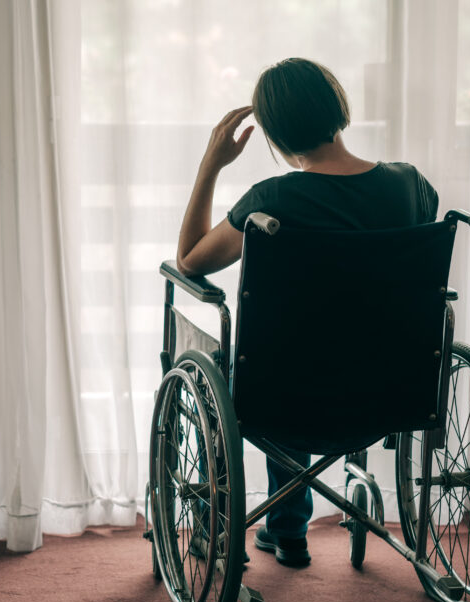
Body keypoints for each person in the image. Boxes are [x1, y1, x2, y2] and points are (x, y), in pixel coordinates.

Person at [175, 57, 438, 567]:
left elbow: (190, 260)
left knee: (279, 355)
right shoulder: (410, 186)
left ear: (274, 134)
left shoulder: (271, 200)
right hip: (390, 391)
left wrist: (210, 163)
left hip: (286, 394)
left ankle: (283, 525)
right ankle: (285, 526)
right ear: (338, 107)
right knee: (316, 347)